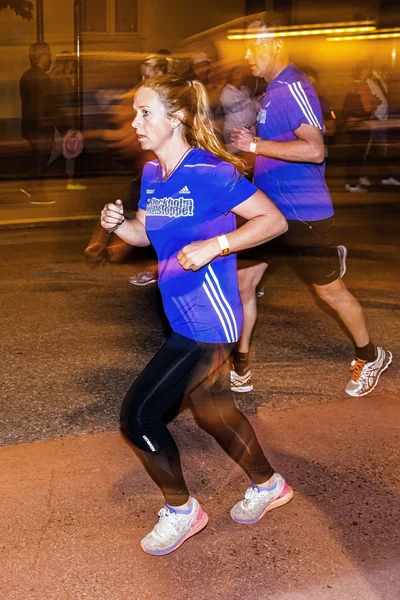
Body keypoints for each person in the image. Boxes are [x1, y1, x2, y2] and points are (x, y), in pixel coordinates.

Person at [100, 74, 292, 555]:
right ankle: (269, 485)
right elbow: (146, 233)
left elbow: (273, 220)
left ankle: (182, 510)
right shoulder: (152, 173)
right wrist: (120, 225)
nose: (135, 122)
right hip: (181, 317)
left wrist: (216, 245)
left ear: (177, 117)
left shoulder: (210, 173)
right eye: (135, 113)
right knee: (215, 413)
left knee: (138, 416)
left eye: (146, 113)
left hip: (212, 321)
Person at [230, 12, 392, 397]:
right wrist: (257, 145)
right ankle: (240, 365)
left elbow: (315, 150)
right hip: (271, 212)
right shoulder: (272, 92)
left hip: (304, 213)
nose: (249, 53)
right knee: (243, 282)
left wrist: (254, 145)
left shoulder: (293, 86)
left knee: (329, 292)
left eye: (256, 44)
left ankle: (370, 356)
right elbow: (282, 146)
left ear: (278, 45)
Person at [19, 42, 69, 204]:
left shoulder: (26, 75)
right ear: (42, 56)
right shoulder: (42, 78)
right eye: (48, 54)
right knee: (42, 159)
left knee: (39, 159)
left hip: (29, 126)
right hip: (40, 127)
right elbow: (49, 106)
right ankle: (37, 194)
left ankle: (27, 185)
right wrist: (64, 129)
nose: (50, 58)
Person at [47, 50, 86, 191]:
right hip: (64, 123)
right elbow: (66, 105)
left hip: (57, 122)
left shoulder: (53, 77)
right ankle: (34, 176)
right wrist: (71, 126)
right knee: (67, 150)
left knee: (62, 151)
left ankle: (70, 181)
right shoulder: (63, 80)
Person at [342, 61, 380, 193]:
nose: (369, 71)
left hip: (352, 123)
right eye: (368, 69)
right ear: (363, 71)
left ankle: (357, 179)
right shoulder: (363, 86)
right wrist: (375, 103)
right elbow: (368, 107)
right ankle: (352, 184)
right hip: (361, 124)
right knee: (358, 154)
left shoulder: (353, 85)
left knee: (355, 153)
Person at [365, 65, 400, 187]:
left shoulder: (379, 78)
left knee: (379, 149)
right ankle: (359, 177)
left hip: (382, 119)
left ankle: (385, 177)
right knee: (367, 150)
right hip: (375, 119)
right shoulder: (367, 81)